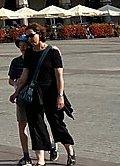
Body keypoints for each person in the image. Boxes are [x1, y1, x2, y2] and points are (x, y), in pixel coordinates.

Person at [10, 26, 75, 166]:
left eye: (31, 35)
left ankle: (70, 152)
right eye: (27, 36)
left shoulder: (53, 52)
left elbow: (59, 76)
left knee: (56, 124)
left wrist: (60, 96)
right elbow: (24, 75)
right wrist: (16, 92)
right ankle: (40, 160)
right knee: (35, 125)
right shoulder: (29, 53)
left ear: (40, 34)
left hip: (51, 91)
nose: (29, 39)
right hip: (34, 93)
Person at [8, 35, 57, 166]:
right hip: (22, 97)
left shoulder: (35, 59)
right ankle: (26, 155)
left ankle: (50, 145)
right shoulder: (16, 62)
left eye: (25, 45)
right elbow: (11, 79)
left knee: (38, 125)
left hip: (36, 96)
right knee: (22, 125)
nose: (22, 47)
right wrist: (15, 85)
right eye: (20, 45)